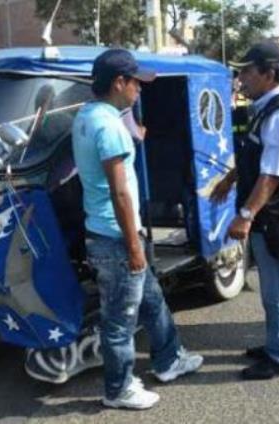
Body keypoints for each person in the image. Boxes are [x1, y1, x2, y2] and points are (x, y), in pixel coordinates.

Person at [71, 49, 203, 410]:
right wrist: (133, 245)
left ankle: (169, 359)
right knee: (119, 319)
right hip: (116, 237)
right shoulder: (108, 125)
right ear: (119, 83)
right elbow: (120, 191)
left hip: (112, 232)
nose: (140, 91)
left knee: (152, 300)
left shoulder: (86, 115)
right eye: (136, 84)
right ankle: (118, 388)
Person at [212, 40, 279, 380]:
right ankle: (276, 344)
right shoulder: (267, 109)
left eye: (247, 72)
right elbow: (258, 156)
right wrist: (230, 179)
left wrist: (246, 215)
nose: (241, 79)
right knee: (271, 287)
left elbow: (273, 173)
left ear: (268, 73)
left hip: (274, 218)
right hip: (267, 216)